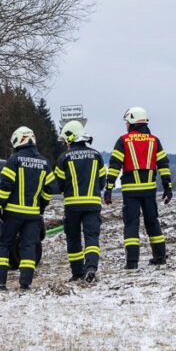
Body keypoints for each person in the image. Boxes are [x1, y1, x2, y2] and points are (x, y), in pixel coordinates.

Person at [104, 107, 173, 268]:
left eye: (127, 122)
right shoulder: (154, 141)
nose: (126, 125)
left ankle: (132, 262)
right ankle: (160, 257)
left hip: (130, 192)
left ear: (133, 122)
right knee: (152, 223)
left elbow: (114, 166)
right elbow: (163, 165)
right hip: (149, 191)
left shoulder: (123, 140)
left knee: (131, 225)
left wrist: (108, 188)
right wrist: (167, 187)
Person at [0, 127, 55, 291]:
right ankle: (25, 284)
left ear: (18, 141)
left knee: (3, 245)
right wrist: (41, 206)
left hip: (12, 213)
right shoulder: (44, 162)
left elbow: (6, 185)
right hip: (33, 214)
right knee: (28, 247)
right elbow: (50, 188)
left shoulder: (14, 160)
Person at [53, 120, 106, 282]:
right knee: (92, 237)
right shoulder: (96, 155)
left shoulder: (64, 158)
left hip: (72, 206)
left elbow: (59, 184)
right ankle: (90, 268)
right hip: (93, 205)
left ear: (71, 139)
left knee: (73, 239)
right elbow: (101, 182)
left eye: (66, 141)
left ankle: (77, 273)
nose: (66, 144)